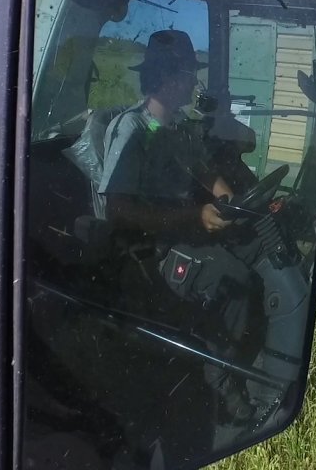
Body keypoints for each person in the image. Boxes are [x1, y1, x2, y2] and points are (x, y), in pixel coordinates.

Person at [97, 29, 260, 425]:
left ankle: (243, 357)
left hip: (181, 233)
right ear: (170, 78)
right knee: (235, 278)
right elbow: (116, 210)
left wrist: (238, 206)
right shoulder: (132, 129)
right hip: (146, 251)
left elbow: (207, 174)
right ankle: (220, 381)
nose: (194, 82)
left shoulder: (175, 127)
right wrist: (193, 216)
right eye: (189, 74)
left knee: (253, 252)